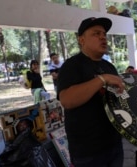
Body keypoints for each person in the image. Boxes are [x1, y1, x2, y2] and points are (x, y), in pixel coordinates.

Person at [57, 17, 125, 167]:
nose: (102, 37)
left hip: (114, 145)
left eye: (104, 34)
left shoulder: (109, 67)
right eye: (96, 33)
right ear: (81, 40)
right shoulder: (72, 65)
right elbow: (67, 100)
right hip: (88, 152)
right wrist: (102, 79)